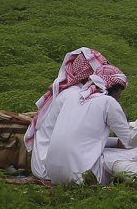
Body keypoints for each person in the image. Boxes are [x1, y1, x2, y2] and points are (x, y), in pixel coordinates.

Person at [26, 47, 129, 184]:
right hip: (48, 166)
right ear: (89, 75)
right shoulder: (75, 95)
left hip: (52, 163)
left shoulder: (73, 92)